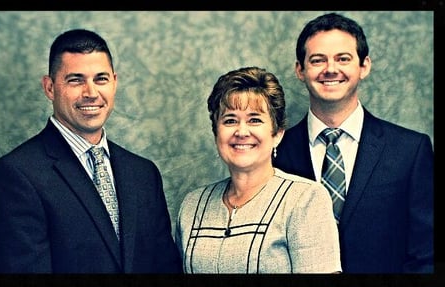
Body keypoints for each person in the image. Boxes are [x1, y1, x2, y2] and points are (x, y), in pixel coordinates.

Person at [0, 28, 182, 273]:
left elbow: (164, 267)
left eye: (101, 79)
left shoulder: (143, 174)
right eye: (75, 80)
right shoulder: (14, 176)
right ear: (50, 87)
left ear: (114, 82)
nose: (91, 93)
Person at [273, 12, 434, 273]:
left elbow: (428, 255)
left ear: (364, 66)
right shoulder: (275, 152)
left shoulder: (410, 151)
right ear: (300, 70)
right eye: (317, 60)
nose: (331, 69)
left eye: (343, 59)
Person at [175, 66, 341, 273]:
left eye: (255, 119)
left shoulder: (305, 199)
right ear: (216, 133)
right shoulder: (193, 205)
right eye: (230, 120)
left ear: (277, 134)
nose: (241, 131)